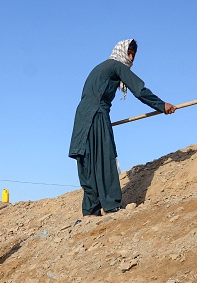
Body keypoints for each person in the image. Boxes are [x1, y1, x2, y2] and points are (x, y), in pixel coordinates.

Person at [68, 39, 176, 219]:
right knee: (104, 157)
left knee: (87, 160)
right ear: (122, 52)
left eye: (134, 54)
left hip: (82, 117)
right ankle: (111, 206)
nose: (132, 58)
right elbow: (139, 90)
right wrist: (161, 105)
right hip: (97, 113)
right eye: (130, 53)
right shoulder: (116, 65)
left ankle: (90, 212)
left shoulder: (101, 67)